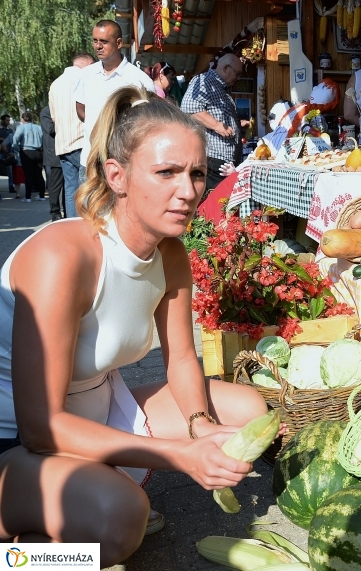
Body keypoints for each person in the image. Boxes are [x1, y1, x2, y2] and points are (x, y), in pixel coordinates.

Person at [0, 86, 278, 567]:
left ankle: (82, 495)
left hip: (99, 407)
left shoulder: (170, 252)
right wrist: (177, 454)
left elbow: (184, 358)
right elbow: (40, 428)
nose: (188, 191)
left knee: (248, 410)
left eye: (196, 173)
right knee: (121, 522)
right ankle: (21, 558)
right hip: (21, 439)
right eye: (166, 172)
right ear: (118, 175)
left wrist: (199, 425)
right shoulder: (62, 256)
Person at [74, 20, 155, 185]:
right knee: (88, 210)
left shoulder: (139, 80)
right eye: (95, 40)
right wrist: (99, 130)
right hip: (90, 161)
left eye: (104, 41)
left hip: (123, 162)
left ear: (119, 43)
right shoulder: (86, 75)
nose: (98, 46)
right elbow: (81, 109)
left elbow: (149, 120)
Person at [181, 52, 247, 198]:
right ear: (225, 68)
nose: (238, 78)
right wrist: (217, 125)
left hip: (223, 163)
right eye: (237, 73)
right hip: (213, 162)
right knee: (216, 207)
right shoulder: (204, 81)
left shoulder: (222, 89)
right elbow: (188, 108)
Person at [49, 51, 95, 218]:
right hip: (82, 142)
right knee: (91, 185)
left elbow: (53, 118)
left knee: (70, 189)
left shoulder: (55, 84)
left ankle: (71, 225)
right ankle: (87, 225)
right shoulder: (84, 79)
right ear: (88, 65)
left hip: (63, 144)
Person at [12, 112, 46, 203]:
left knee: (28, 174)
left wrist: (17, 148)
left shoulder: (21, 127)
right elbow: (44, 138)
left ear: (23, 119)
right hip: (38, 152)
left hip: (26, 152)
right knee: (39, 174)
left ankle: (28, 197)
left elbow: (15, 138)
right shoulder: (38, 127)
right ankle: (42, 195)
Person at [40, 106, 64, 221]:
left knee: (68, 186)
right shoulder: (46, 111)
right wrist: (64, 119)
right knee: (55, 185)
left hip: (66, 151)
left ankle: (67, 210)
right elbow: (50, 129)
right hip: (54, 155)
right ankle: (55, 213)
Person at [0, 115, 15, 197]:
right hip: (1, 152)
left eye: (9, 120)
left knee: (10, 171)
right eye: (6, 120)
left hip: (8, 153)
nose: (8, 122)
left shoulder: (10, 130)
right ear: (2, 120)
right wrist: (4, 140)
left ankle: (11, 186)